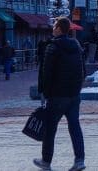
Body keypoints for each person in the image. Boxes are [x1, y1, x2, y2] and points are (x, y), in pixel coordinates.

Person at [34, 17, 86, 171]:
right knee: (75, 127)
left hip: (57, 95)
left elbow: (46, 72)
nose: (52, 28)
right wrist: (77, 89)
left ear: (58, 29)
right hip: (73, 95)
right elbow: (83, 70)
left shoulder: (53, 47)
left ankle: (46, 161)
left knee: (50, 129)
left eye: (54, 26)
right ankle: (79, 160)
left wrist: (45, 92)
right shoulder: (76, 46)